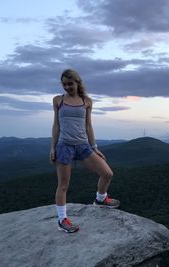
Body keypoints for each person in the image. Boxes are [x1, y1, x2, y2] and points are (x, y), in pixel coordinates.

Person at [50, 69, 120, 233]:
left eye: (70, 83)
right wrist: (52, 147)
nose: (67, 87)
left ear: (78, 83)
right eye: (65, 84)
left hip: (83, 146)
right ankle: (62, 220)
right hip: (64, 146)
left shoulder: (86, 101)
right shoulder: (58, 100)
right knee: (63, 185)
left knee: (107, 173)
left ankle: (100, 199)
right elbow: (56, 125)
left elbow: (88, 125)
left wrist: (95, 147)